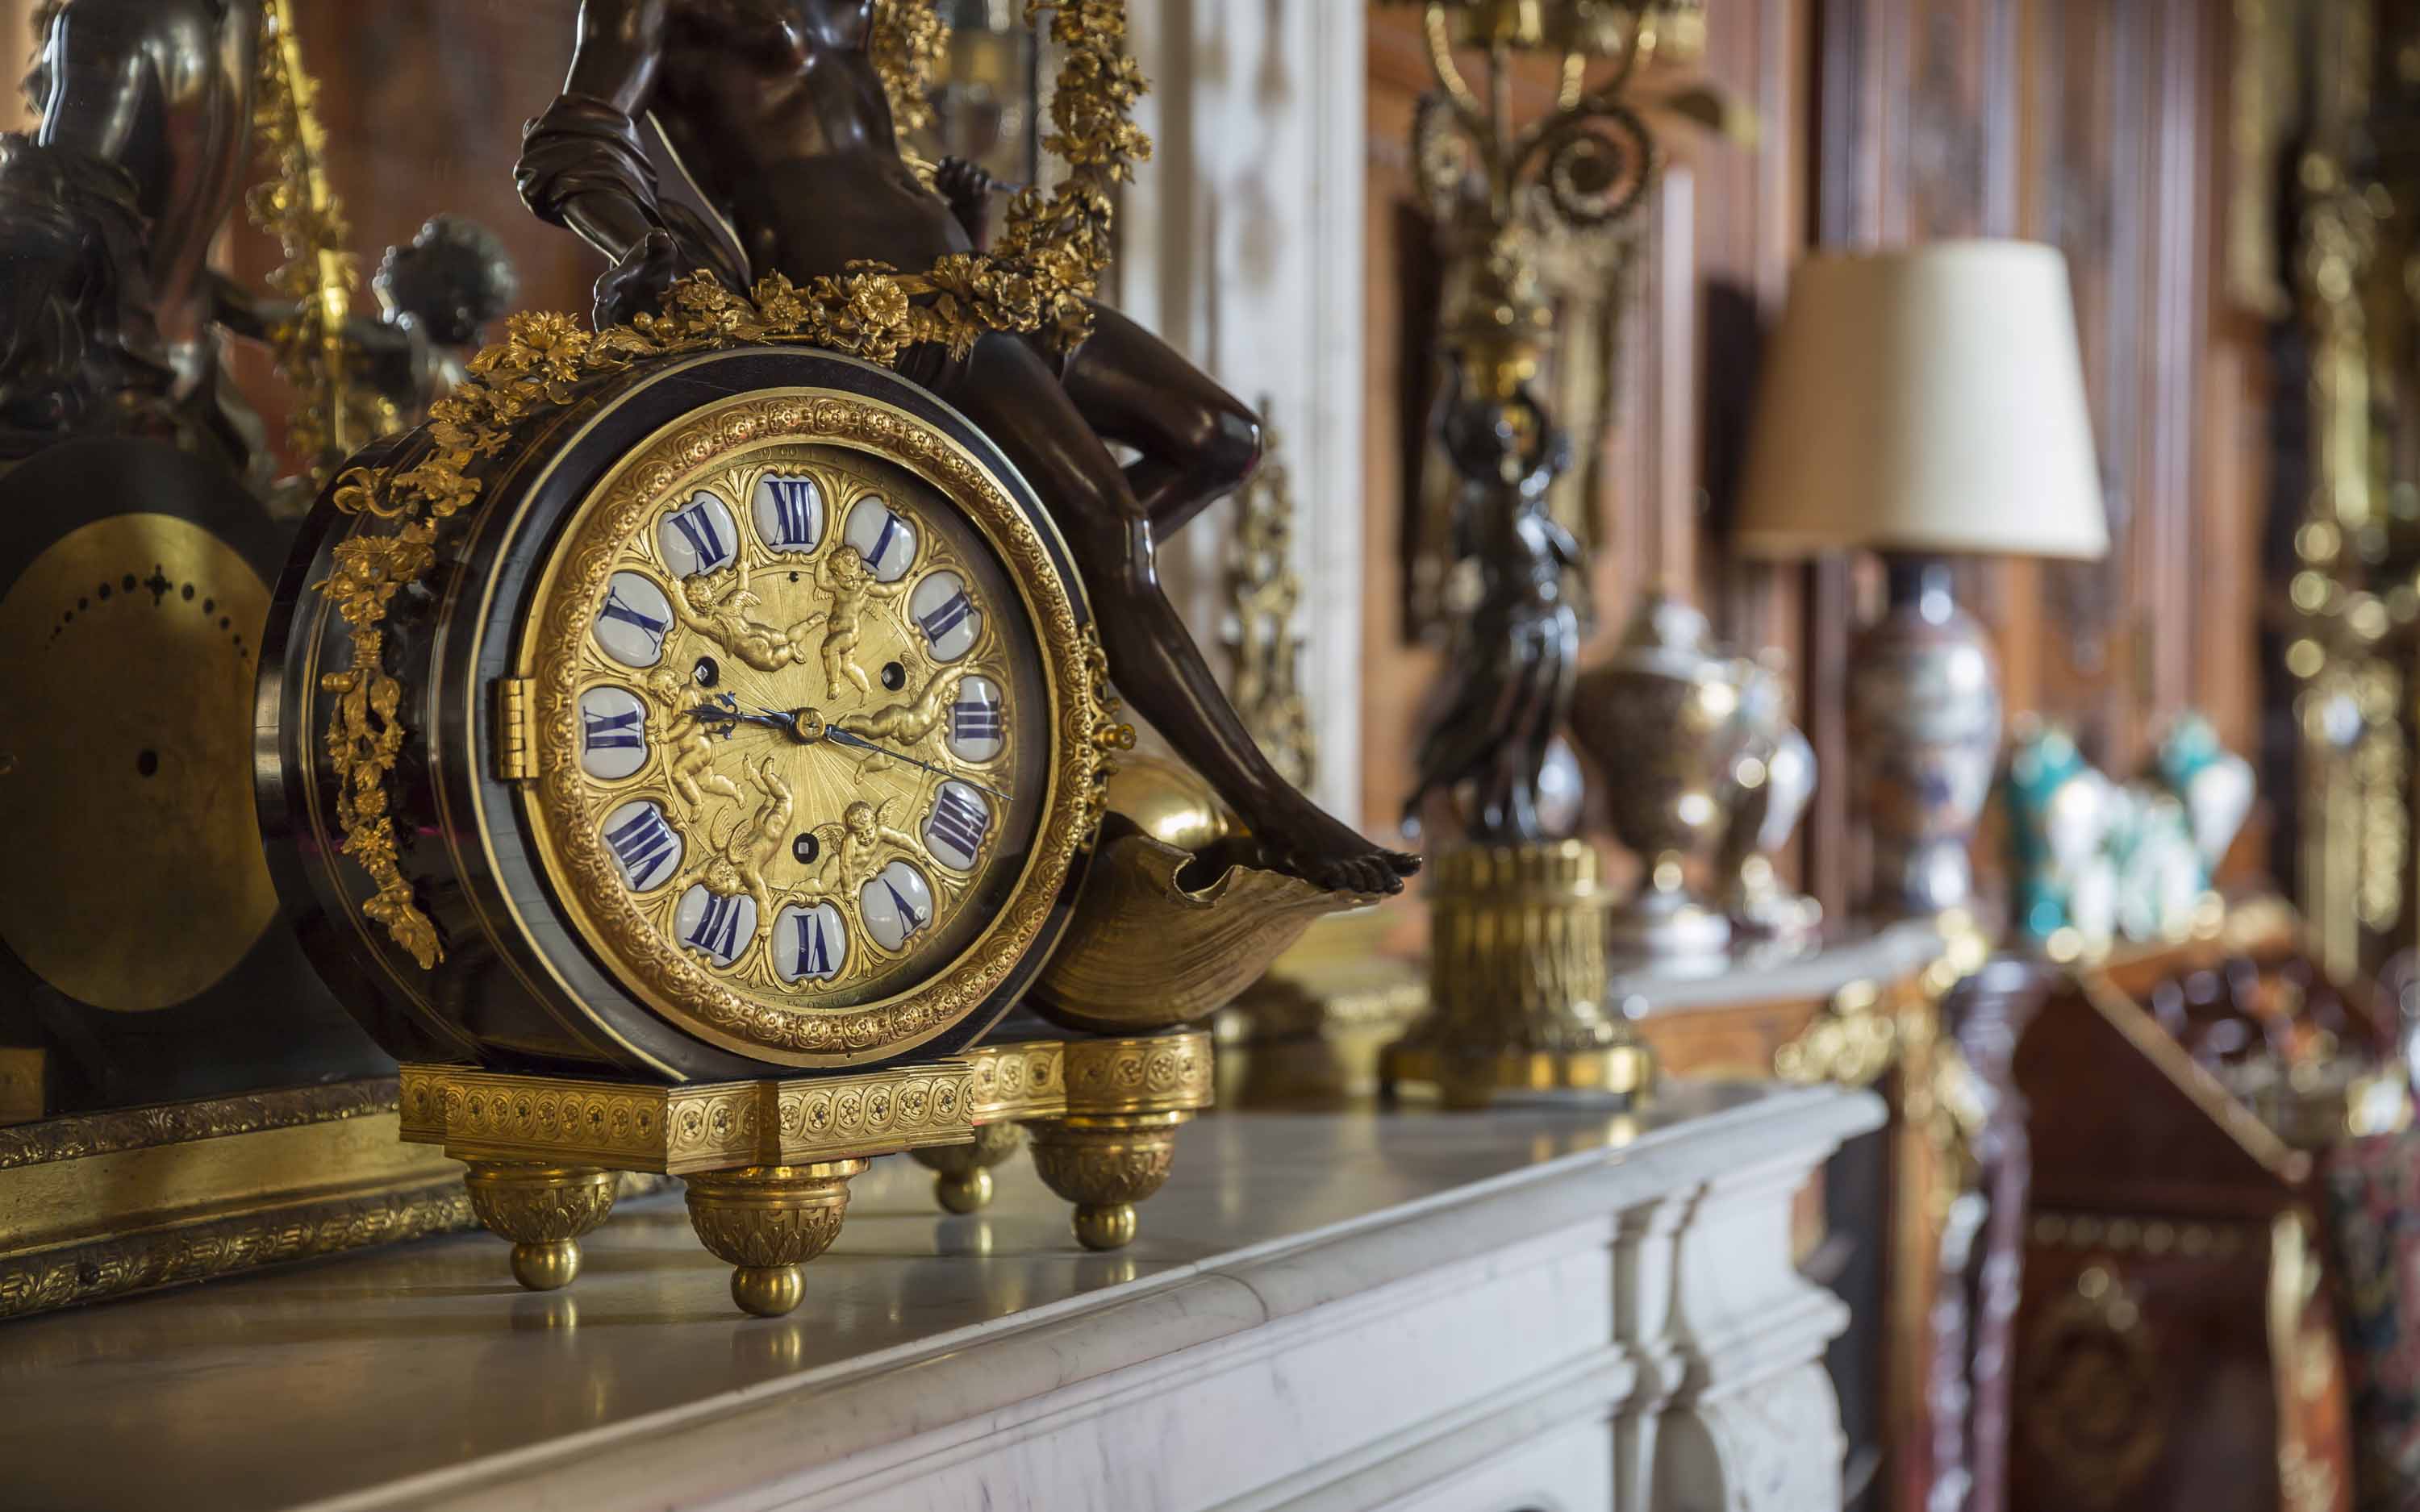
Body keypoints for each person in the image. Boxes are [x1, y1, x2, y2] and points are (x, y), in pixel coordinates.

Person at [515, 0, 1417, 898]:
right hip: (866, 303)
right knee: (1111, 530)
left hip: (969, 277)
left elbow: (859, 130)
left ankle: (1048, 596)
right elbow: (572, 141)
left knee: (1222, 440)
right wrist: (639, 242)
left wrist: (960, 214)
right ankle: (1270, 806)